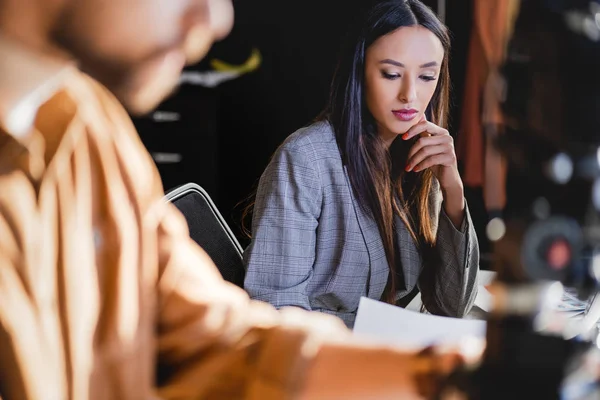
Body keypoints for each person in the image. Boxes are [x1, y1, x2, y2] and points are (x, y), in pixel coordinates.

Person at [0, 0, 469, 398]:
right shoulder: (308, 157)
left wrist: (449, 372)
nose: (216, 18)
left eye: (427, 76)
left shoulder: (90, 134)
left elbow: (226, 340)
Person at [244, 0, 480, 328]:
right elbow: (277, 310)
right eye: (391, 74)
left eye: (427, 76)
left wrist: (452, 188)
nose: (409, 94)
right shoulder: (305, 160)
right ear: (360, 71)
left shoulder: (419, 157)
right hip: (322, 355)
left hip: (387, 340)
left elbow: (451, 307)